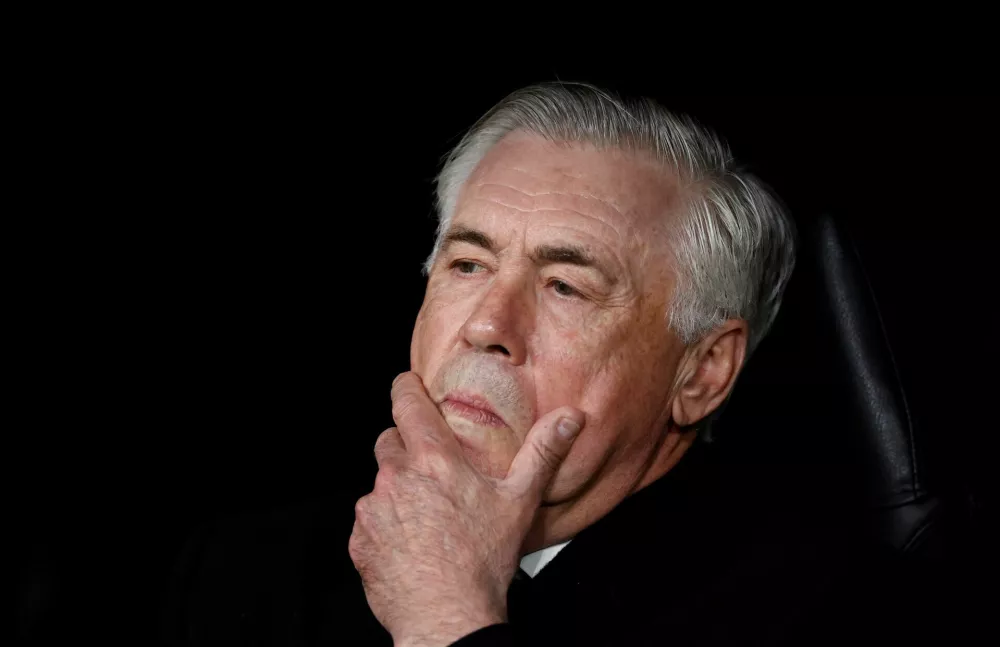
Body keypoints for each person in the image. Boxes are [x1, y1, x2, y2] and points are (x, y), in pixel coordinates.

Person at [161, 83, 899, 646]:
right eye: (469, 263)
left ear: (702, 370)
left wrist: (448, 618)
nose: (488, 325)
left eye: (565, 286)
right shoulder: (243, 569)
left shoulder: (822, 609)